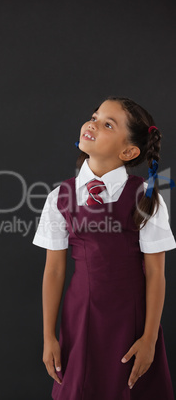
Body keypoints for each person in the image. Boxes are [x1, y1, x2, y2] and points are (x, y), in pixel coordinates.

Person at [32, 96, 176, 399]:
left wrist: (149, 338)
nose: (93, 123)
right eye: (94, 116)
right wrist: (48, 336)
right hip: (80, 320)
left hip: (131, 323)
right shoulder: (60, 197)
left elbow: (155, 273)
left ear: (129, 151)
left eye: (107, 123)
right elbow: (55, 270)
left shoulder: (147, 198)